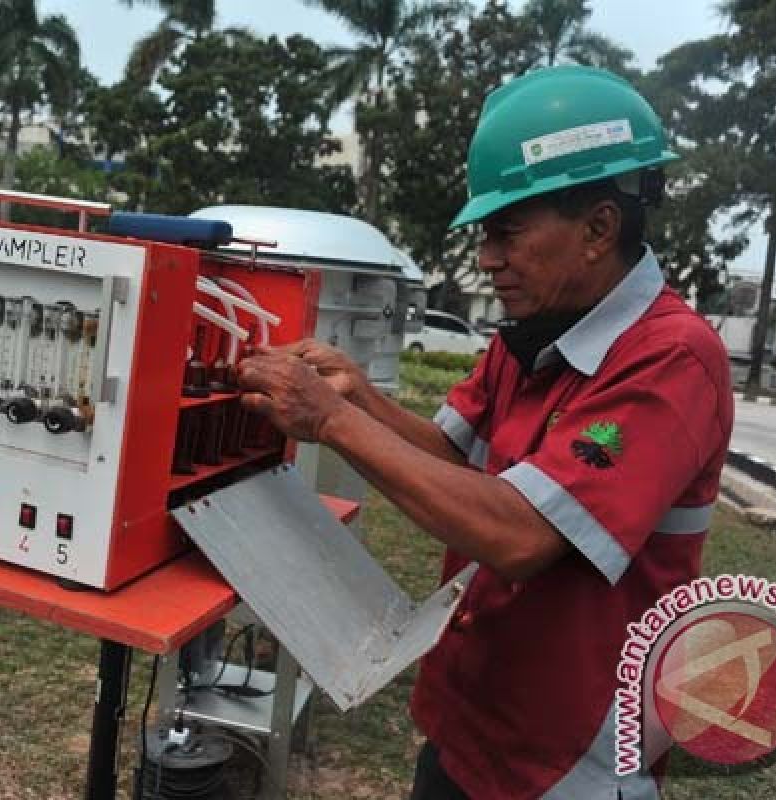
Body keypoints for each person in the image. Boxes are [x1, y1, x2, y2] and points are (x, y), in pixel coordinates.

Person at [236, 66, 733, 799]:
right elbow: (446, 455)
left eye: (507, 232)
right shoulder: (529, 339)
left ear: (599, 227)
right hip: (469, 726)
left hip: (565, 766)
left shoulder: (671, 359)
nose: (487, 259)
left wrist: (332, 419)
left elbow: (523, 537)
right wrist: (358, 393)